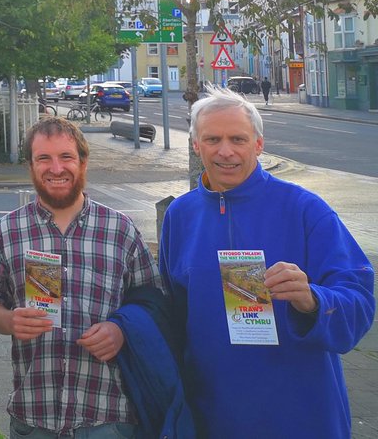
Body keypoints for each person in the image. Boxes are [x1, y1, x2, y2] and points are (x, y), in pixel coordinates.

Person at [159, 88, 375, 439]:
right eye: (212, 139)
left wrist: (314, 299)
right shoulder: (180, 216)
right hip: (212, 414)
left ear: (258, 145)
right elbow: (173, 312)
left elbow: (360, 301)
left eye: (238, 139)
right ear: (196, 145)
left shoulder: (306, 210)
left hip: (300, 414)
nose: (225, 151)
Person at [0, 117, 163, 438]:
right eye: (43, 158)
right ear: (30, 166)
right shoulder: (8, 230)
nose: (56, 168)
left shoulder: (120, 230)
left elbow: (154, 304)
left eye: (66, 157)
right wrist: (8, 322)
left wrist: (121, 330)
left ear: (83, 162)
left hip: (107, 415)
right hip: (34, 414)